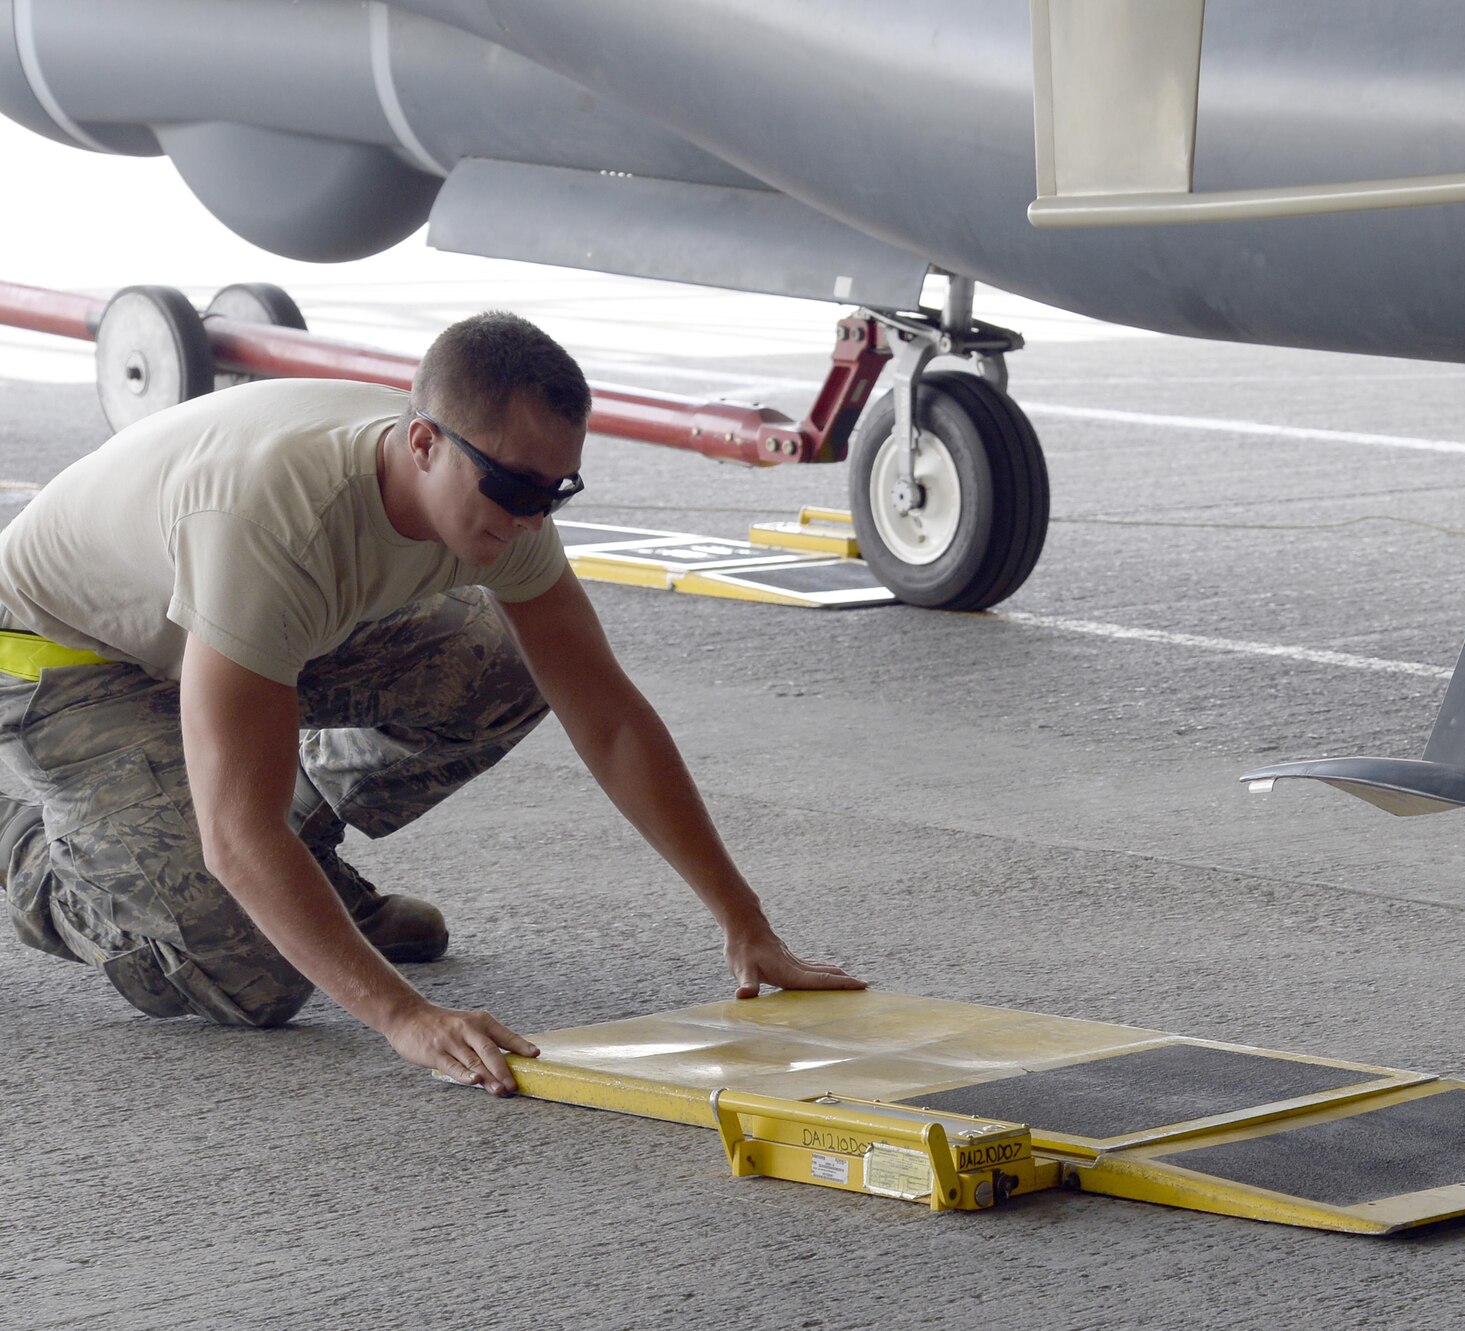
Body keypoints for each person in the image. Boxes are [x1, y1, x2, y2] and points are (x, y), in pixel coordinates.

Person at [0, 310, 863, 1095]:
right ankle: (29, 855)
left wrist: (745, 923)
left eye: (558, 492)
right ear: (421, 442)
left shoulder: (495, 493)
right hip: (65, 650)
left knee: (505, 670)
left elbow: (609, 716)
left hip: (220, 632)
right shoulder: (274, 523)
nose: (533, 520)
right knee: (250, 973)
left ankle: (303, 868)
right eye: (519, 490)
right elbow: (237, 838)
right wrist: (406, 1018)